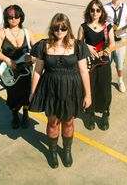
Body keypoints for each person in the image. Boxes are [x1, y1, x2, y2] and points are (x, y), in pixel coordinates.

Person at [29, 13, 91, 169]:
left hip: (71, 90)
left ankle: (67, 150)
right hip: (51, 90)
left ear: (68, 28)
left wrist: (88, 94)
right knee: (53, 122)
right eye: (56, 28)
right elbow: (37, 71)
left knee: (69, 121)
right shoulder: (44, 45)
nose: (60, 31)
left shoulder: (78, 46)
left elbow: (84, 71)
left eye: (63, 27)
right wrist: (32, 92)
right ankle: (53, 151)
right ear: (52, 28)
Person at [0, 4, 36, 129]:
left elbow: (37, 48)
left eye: (16, 16)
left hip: (26, 71)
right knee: (13, 94)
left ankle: (26, 114)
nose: (13, 19)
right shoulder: (1, 33)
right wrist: (7, 60)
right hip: (10, 70)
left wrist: (33, 57)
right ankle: (15, 114)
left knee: (27, 93)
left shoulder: (27, 33)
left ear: (21, 17)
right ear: (6, 18)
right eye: (10, 17)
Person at [78, 0, 115, 131]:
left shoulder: (107, 26)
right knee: (90, 89)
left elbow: (112, 44)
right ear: (89, 11)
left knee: (105, 89)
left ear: (101, 12)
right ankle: (90, 115)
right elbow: (78, 44)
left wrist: (108, 50)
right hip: (89, 65)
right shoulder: (83, 27)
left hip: (104, 63)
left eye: (98, 10)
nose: (95, 13)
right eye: (92, 10)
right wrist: (86, 46)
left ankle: (105, 114)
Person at [104, 0, 127, 93]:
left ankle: (120, 81)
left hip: (120, 40)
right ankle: (106, 81)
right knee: (106, 63)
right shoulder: (105, 7)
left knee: (120, 63)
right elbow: (100, 21)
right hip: (108, 41)